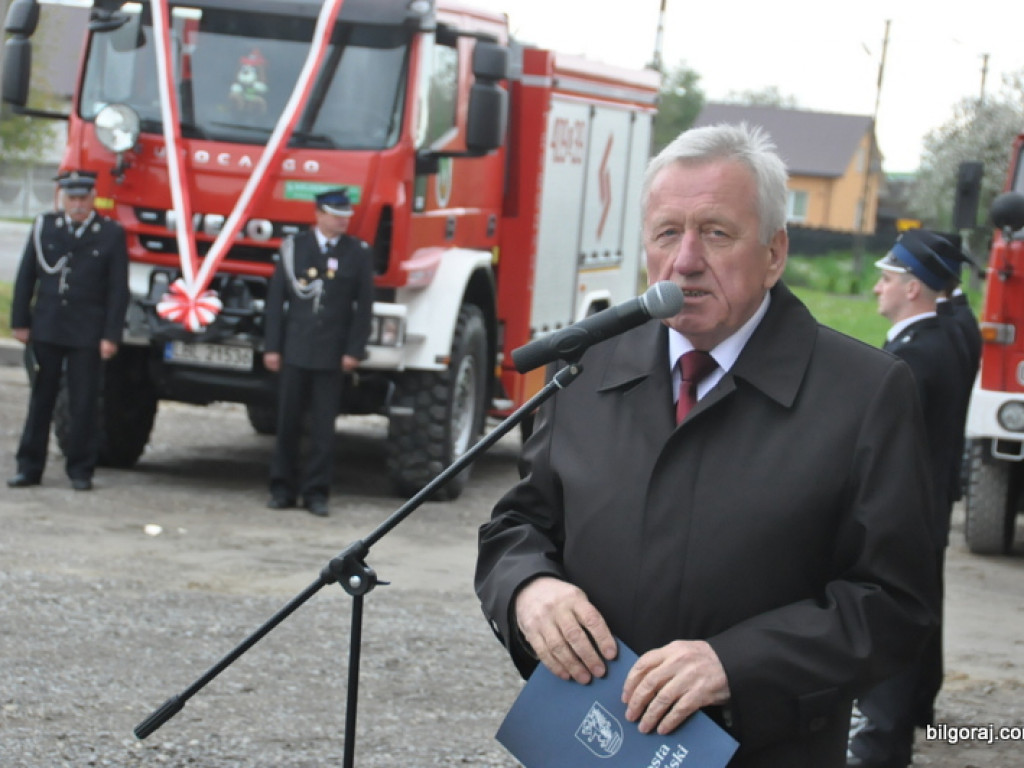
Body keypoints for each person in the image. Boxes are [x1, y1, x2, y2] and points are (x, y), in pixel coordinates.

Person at [475, 123, 940, 768]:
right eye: (667, 233)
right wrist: (529, 589)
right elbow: (519, 524)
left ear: (774, 252)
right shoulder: (588, 369)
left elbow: (895, 605)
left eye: (715, 233)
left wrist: (735, 664)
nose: (685, 260)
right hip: (587, 742)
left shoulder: (864, 393)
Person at [847, 231, 974, 768]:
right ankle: (909, 713)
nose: (878, 288)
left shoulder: (913, 358)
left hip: (903, 518)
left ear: (915, 289)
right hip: (928, 507)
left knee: (889, 623)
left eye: (889, 279)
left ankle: (879, 743)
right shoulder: (942, 336)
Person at [7, 170, 129, 492]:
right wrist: (20, 320)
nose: (76, 204)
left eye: (82, 198)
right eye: (71, 198)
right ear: (62, 199)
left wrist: (110, 335)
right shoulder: (45, 227)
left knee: (84, 402)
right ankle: (29, 467)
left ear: (92, 199)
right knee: (41, 400)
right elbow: (26, 275)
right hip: (47, 325)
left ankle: (80, 469)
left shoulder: (110, 234)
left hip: (87, 331)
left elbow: (118, 290)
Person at [263, 188, 374, 517]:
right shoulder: (294, 247)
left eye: (345, 216)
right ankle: (282, 488)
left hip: (331, 352)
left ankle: (316, 492)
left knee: (324, 429)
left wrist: (355, 349)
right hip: (296, 348)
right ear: (319, 215)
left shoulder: (357, 252)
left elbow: (363, 306)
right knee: (287, 423)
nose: (342, 221)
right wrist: (272, 347)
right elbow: (275, 303)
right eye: (336, 215)